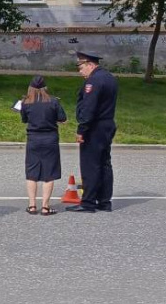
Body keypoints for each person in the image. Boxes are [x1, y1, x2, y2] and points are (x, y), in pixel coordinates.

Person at [67, 50, 119, 213]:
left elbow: (89, 109)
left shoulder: (93, 81)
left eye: (81, 66)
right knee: (104, 163)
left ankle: (88, 202)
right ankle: (104, 201)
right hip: (107, 124)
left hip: (94, 127)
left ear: (90, 64)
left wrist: (82, 129)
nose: (79, 71)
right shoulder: (109, 77)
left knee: (90, 165)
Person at [20, 75, 67, 215]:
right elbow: (63, 119)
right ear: (45, 88)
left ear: (30, 88)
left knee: (32, 173)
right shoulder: (53, 101)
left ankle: (32, 205)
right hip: (50, 139)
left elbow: (24, 119)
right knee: (49, 173)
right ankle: (45, 207)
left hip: (33, 139)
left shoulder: (26, 102)